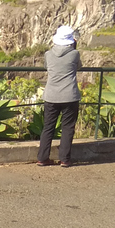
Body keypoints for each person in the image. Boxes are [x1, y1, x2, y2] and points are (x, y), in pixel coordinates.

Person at [36, 25, 81, 168]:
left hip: (51, 95)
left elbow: (46, 66)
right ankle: (65, 159)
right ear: (71, 41)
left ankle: (42, 158)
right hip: (69, 96)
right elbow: (78, 67)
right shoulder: (74, 54)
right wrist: (74, 46)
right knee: (67, 127)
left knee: (48, 127)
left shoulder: (48, 54)